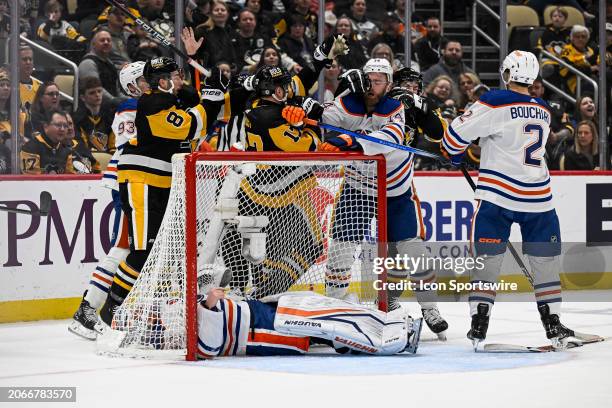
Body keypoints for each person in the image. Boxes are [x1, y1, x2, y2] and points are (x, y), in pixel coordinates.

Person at [442, 50, 574, 349]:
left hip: (497, 196)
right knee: (546, 264)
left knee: (487, 262)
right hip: (539, 199)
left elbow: (453, 138)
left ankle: (479, 324)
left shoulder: (493, 100)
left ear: (506, 74)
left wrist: (454, 155)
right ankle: (552, 324)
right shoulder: (544, 108)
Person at [317, 58, 449, 338]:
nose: (373, 84)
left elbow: (387, 140)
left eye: (379, 80)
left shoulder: (397, 108)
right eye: (370, 78)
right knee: (341, 249)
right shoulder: (351, 101)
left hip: (395, 190)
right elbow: (326, 121)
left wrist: (350, 141)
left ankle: (430, 308)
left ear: (389, 85)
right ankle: (333, 306)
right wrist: (341, 92)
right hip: (358, 188)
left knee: (411, 251)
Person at [97, 54, 221, 329]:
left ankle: (136, 308)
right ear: (163, 81)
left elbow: (208, 111)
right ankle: (109, 313)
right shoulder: (153, 103)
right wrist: (213, 96)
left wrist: (227, 89)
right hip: (142, 182)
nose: (180, 79)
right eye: (175, 75)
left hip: (161, 184)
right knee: (142, 251)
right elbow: (193, 125)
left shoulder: (169, 99)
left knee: (157, 251)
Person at [69, 62, 149, 340]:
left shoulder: (147, 106)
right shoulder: (130, 107)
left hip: (140, 183)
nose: (151, 82)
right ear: (131, 85)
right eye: (144, 79)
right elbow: (134, 144)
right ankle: (88, 309)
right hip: (129, 183)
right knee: (123, 248)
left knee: (130, 249)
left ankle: (97, 309)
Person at [192, 287, 422, 357]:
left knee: (322, 307)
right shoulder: (180, 336)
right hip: (257, 332)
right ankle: (391, 341)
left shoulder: (177, 310)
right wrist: (209, 304)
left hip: (257, 311)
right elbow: (208, 348)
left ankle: (385, 321)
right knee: (328, 328)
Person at [20, 109, 74, 174]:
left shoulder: (66, 149)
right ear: (46, 126)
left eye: (65, 126)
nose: (62, 129)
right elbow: (31, 181)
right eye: (58, 125)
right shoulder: (31, 148)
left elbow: (70, 178)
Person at [73, 77, 115, 154]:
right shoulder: (77, 119)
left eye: (99, 91)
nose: (97, 95)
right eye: (92, 93)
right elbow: (81, 147)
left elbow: (114, 146)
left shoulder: (111, 116)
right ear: (82, 97)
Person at [78, 29, 122, 100]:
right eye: (102, 40)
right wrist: (115, 101)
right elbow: (95, 91)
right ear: (93, 44)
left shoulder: (110, 63)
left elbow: (117, 91)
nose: (106, 42)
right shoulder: (88, 63)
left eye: (109, 40)